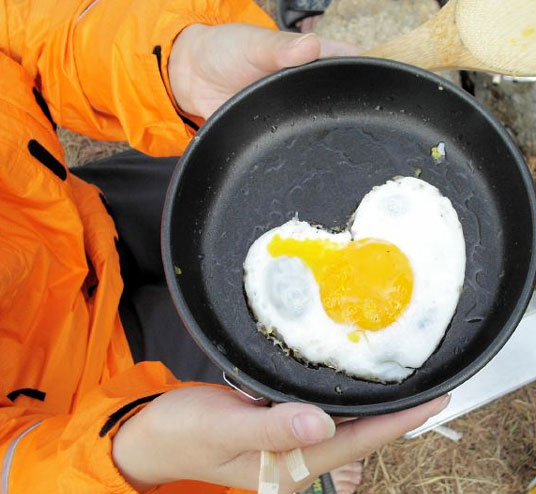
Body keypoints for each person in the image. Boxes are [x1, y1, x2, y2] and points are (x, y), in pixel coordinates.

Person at [0, 1, 450, 493]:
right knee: (257, 402)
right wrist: (126, 458)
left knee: (210, 183)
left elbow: (26, 24)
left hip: (67, 216)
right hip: (74, 411)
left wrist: (173, 60)